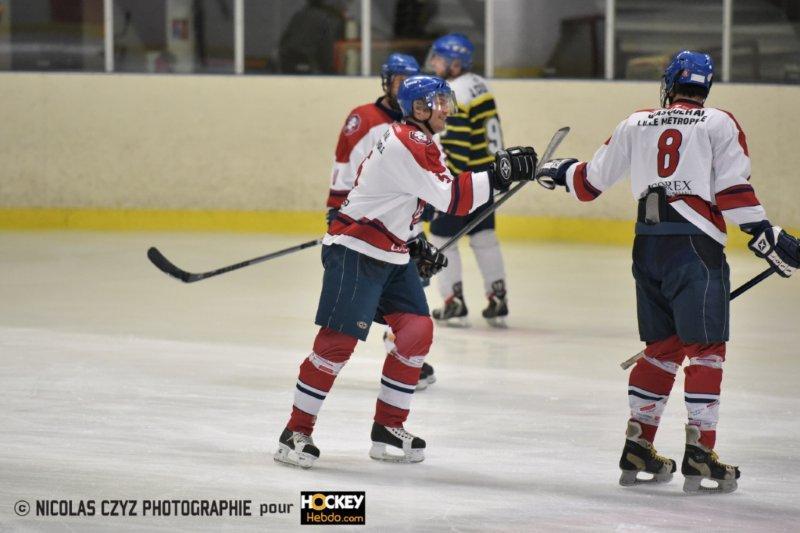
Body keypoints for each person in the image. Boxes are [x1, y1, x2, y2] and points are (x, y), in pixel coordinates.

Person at [535, 50, 800, 494]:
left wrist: (557, 172)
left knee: (660, 348)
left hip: (648, 246)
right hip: (695, 248)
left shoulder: (636, 122)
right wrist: (764, 234)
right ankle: (700, 454)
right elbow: (733, 192)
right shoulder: (719, 122)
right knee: (706, 349)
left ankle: (638, 447)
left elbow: (588, 183)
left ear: (671, 82)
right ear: (705, 87)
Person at [275, 74, 537, 469]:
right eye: (439, 102)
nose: (447, 109)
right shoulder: (408, 141)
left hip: (392, 251)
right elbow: (452, 199)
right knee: (337, 343)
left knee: (416, 330)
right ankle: (295, 431)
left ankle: (388, 426)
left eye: (447, 101)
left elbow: (409, 199)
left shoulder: (423, 141)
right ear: (418, 108)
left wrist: (414, 241)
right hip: (357, 249)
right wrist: (499, 173)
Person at [324, 52, 440, 389]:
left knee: (411, 291)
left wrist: (430, 206)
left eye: (411, 82)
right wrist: (338, 211)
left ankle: (402, 351)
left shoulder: (421, 121)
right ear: (387, 82)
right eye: (400, 81)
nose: (405, 88)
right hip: (367, 227)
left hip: (407, 225)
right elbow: (345, 167)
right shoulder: (365, 119)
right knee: (373, 292)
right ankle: (343, 358)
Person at [424, 33, 510, 328]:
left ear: (455, 63)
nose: (434, 63)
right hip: (487, 176)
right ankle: (498, 296)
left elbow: (457, 146)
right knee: (485, 238)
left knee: (440, 239)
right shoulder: (479, 84)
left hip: (463, 180)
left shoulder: (453, 91)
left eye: (439, 58)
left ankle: (453, 301)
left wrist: (445, 185)